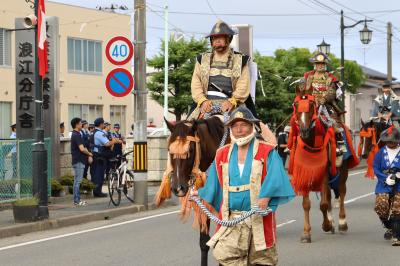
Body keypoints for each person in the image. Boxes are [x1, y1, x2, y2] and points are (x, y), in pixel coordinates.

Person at [192, 106, 295, 265]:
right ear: (230, 128)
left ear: (252, 126)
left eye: (244, 125)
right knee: (227, 259)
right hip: (231, 219)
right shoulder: (222, 153)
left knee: (262, 260)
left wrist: (266, 197)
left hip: (259, 218)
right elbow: (214, 182)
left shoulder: (267, 151)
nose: (239, 129)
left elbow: (276, 177)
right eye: (235, 125)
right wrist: (200, 193)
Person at [189, 20, 257, 119]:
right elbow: (196, 83)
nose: (217, 40)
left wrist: (232, 101)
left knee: (253, 129)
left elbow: (243, 85)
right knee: (185, 129)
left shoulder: (241, 60)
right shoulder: (202, 59)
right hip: (205, 105)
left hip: (232, 105)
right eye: (214, 38)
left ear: (228, 39)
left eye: (220, 37)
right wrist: (203, 101)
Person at [303, 52, 356, 167]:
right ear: (315, 65)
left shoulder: (331, 78)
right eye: (318, 64)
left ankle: (339, 144)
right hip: (310, 103)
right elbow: (305, 89)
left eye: (322, 64)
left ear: (325, 65)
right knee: (299, 118)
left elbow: (332, 91)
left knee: (334, 122)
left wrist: (324, 98)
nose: (320, 66)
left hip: (326, 105)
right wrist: (310, 98)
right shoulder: (308, 76)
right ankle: (291, 143)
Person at [373, 126, 400, 246]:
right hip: (384, 184)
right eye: (387, 141)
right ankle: (389, 226)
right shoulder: (380, 152)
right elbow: (376, 167)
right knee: (381, 206)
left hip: (399, 184)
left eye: (392, 140)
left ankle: (396, 236)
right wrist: (385, 178)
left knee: (397, 209)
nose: (389, 143)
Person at [70, 117, 93, 206]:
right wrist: (90, 154)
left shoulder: (76, 134)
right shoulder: (76, 135)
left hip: (78, 160)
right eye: (80, 123)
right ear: (76, 125)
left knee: (76, 181)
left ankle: (77, 200)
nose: (81, 125)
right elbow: (82, 148)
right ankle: (77, 201)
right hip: (79, 160)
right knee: (78, 181)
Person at [92, 118, 116, 197]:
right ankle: (98, 192)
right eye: (103, 124)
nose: (104, 125)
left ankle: (97, 191)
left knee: (97, 174)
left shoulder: (95, 132)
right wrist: (114, 141)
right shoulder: (99, 133)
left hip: (97, 155)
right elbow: (107, 144)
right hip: (100, 156)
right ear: (100, 124)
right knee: (99, 174)